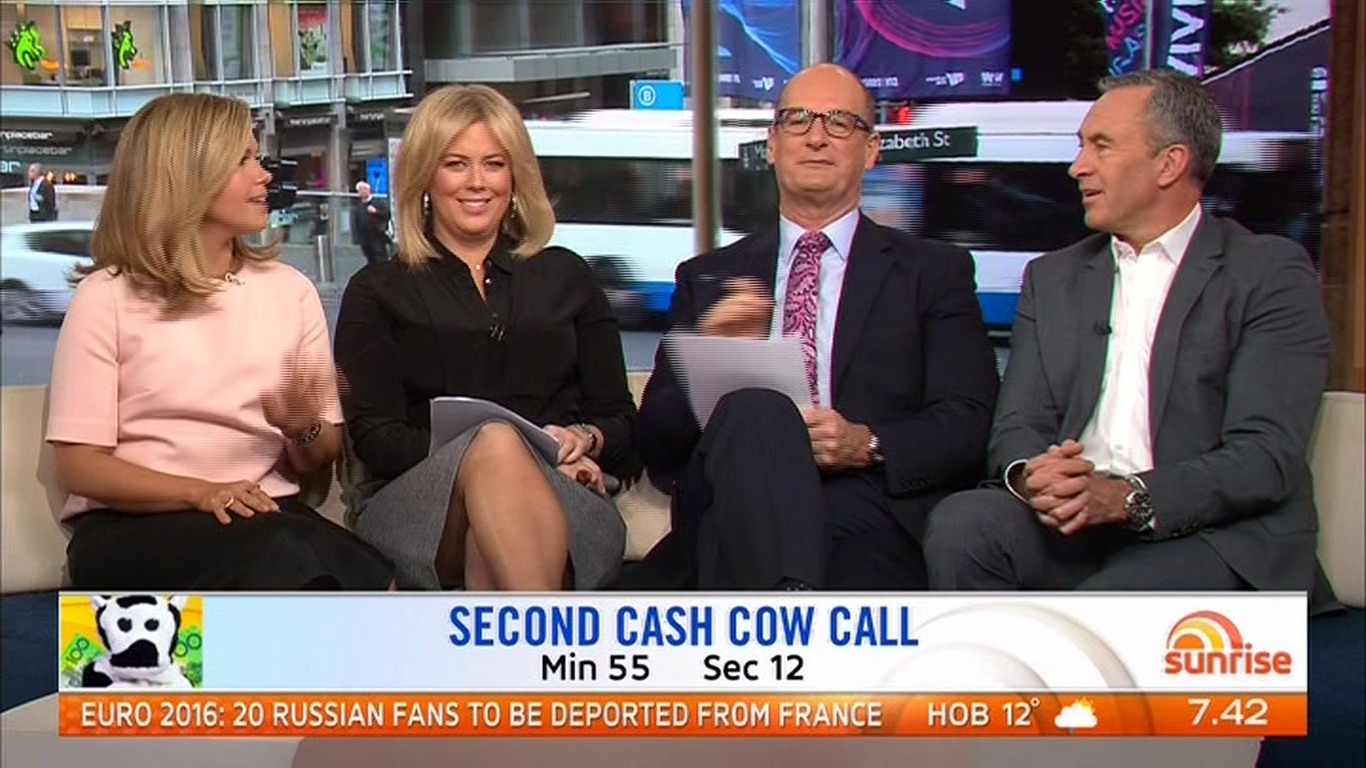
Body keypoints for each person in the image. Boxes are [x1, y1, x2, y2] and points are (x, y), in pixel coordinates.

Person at [923, 70, 1335, 608]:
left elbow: (1266, 454)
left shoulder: (1267, 272)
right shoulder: (1052, 277)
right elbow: (1018, 424)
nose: (1077, 167)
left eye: (1101, 146)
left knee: (1111, 604)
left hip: (1208, 533)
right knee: (964, 524)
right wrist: (1034, 476)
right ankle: (985, 668)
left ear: (1170, 163)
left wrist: (1126, 498)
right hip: (1073, 527)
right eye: (1081, 147)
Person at [629, 64, 1000, 591]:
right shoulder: (709, 277)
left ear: (871, 150)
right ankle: (791, 608)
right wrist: (713, 356)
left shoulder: (933, 272)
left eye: (840, 122)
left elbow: (968, 420)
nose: (817, 136)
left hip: (864, 504)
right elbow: (657, 443)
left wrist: (867, 443)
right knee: (757, 409)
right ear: (772, 145)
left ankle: (782, 608)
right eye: (798, 120)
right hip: (732, 500)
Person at [46, 93, 393, 591]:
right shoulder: (107, 296)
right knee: (298, 556)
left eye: (257, 157)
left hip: (266, 517)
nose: (264, 175)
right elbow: (81, 467)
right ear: (185, 175)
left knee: (371, 576)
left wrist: (302, 430)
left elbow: (319, 458)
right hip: (133, 528)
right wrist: (201, 492)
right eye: (241, 160)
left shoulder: (290, 291)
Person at [333, 84, 634, 592]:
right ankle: (542, 636)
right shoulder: (377, 291)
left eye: (494, 164)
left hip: (566, 494)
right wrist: (506, 454)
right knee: (494, 443)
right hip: (420, 505)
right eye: (456, 164)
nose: (477, 182)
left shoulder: (568, 276)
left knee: (491, 542)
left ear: (515, 177)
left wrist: (586, 439)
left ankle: (515, 639)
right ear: (425, 176)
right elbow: (379, 442)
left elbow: (620, 419)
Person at [352, 180, 392, 266]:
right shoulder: (359, 207)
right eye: (360, 190)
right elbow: (356, 222)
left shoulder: (378, 202)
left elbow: (387, 215)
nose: (362, 192)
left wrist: (376, 212)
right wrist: (357, 238)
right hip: (365, 239)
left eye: (364, 189)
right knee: (371, 260)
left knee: (381, 259)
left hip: (377, 237)